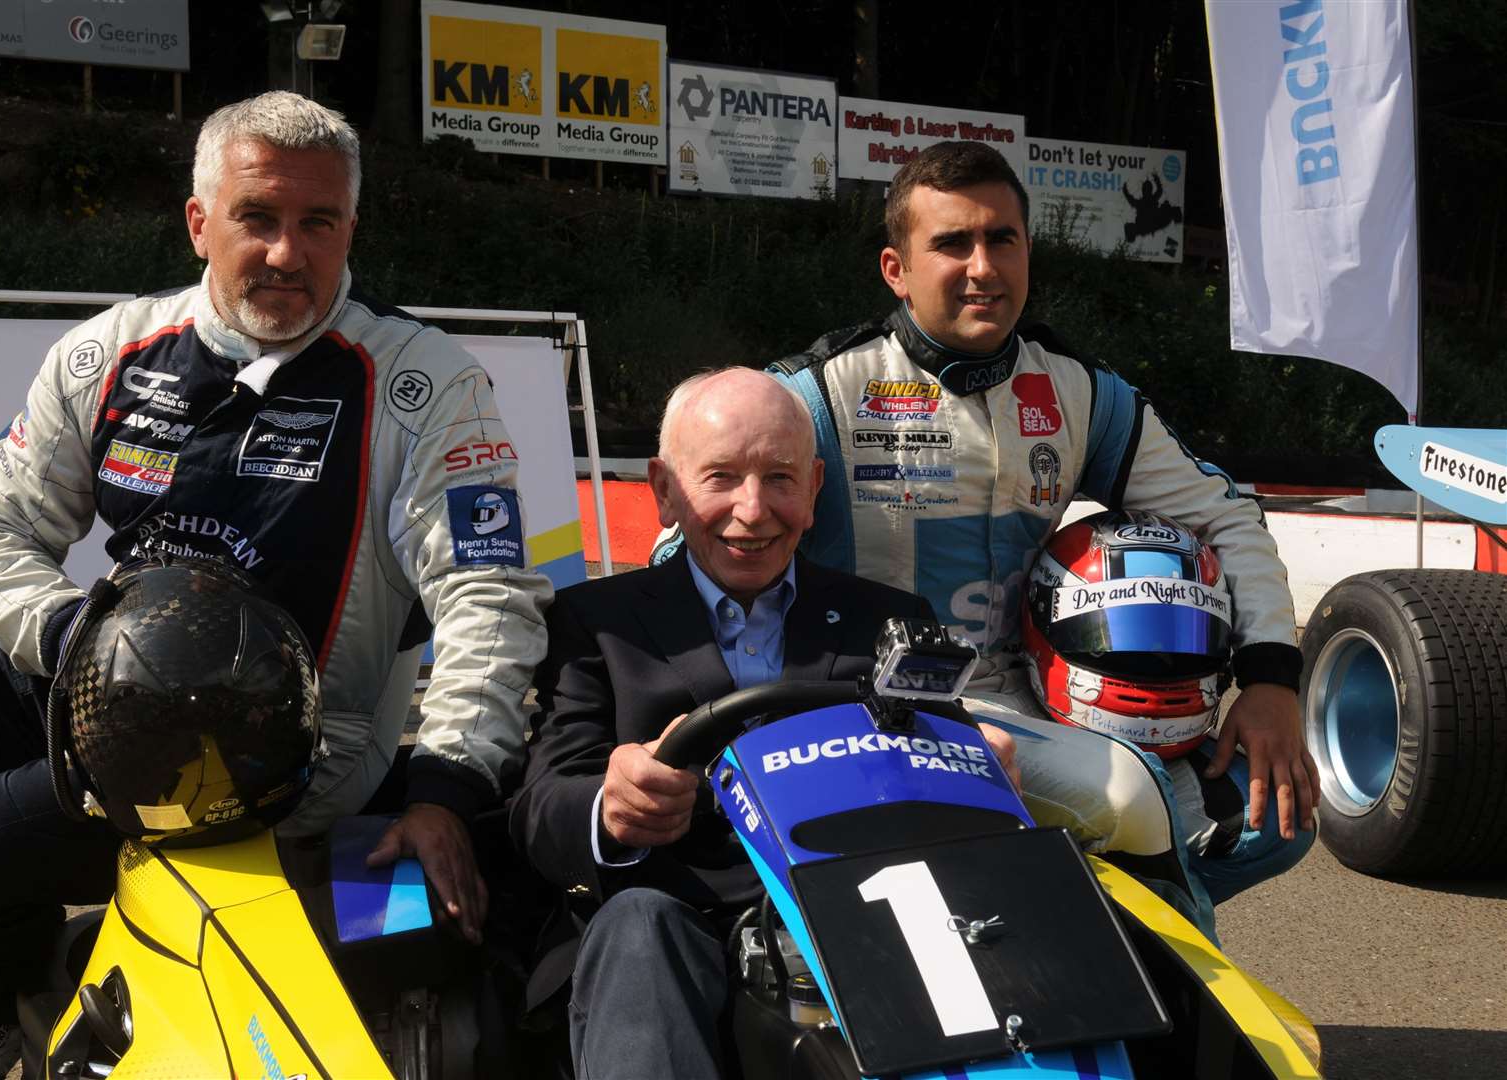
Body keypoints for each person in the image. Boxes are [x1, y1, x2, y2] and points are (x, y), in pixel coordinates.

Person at [0, 91, 551, 1080]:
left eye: (317, 223)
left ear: (350, 228)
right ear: (200, 221)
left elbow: (488, 599)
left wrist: (449, 786)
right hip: (98, 673)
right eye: (258, 218)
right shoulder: (108, 350)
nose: (288, 253)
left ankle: (5, 1016)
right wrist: (71, 637)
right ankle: (16, 996)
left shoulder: (425, 382)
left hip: (281, 748)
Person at [764, 140, 1321, 935]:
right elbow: (697, 552)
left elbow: (1224, 514)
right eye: (952, 243)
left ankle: (1061, 930)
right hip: (876, 712)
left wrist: (1270, 681)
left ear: (1029, 251)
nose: (982, 267)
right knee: (1136, 800)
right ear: (897, 269)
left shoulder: (1080, 391)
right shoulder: (816, 394)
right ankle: (1164, 1005)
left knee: (1274, 814)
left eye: (1002, 239)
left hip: (1036, 706)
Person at [508, 367, 1019, 1080]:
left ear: (813, 490)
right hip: (662, 927)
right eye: (720, 476)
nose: (753, 510)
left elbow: (946, 777)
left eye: (779, 478)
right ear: (664, 490)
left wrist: (978, 771)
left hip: (859, 922)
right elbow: (540, 808)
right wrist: (611, 806)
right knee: (640, 923)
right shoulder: (595, 622)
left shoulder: (887, 619)